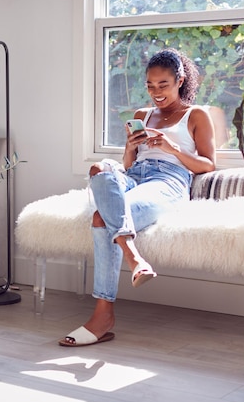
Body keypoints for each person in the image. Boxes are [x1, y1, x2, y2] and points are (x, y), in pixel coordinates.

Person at [59, 48, 216, 347]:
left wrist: (172, 148)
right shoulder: (142, 115)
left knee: (99, 217)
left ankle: (103, 314)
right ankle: (133, 257)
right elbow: (128, 166)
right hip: (135, 176)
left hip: (168, 180)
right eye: (150, 85)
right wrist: (131, 147)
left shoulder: (196, 115)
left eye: (163, 85)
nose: (156, 92)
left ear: (180, 80)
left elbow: (208, 164)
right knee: (99, 169)